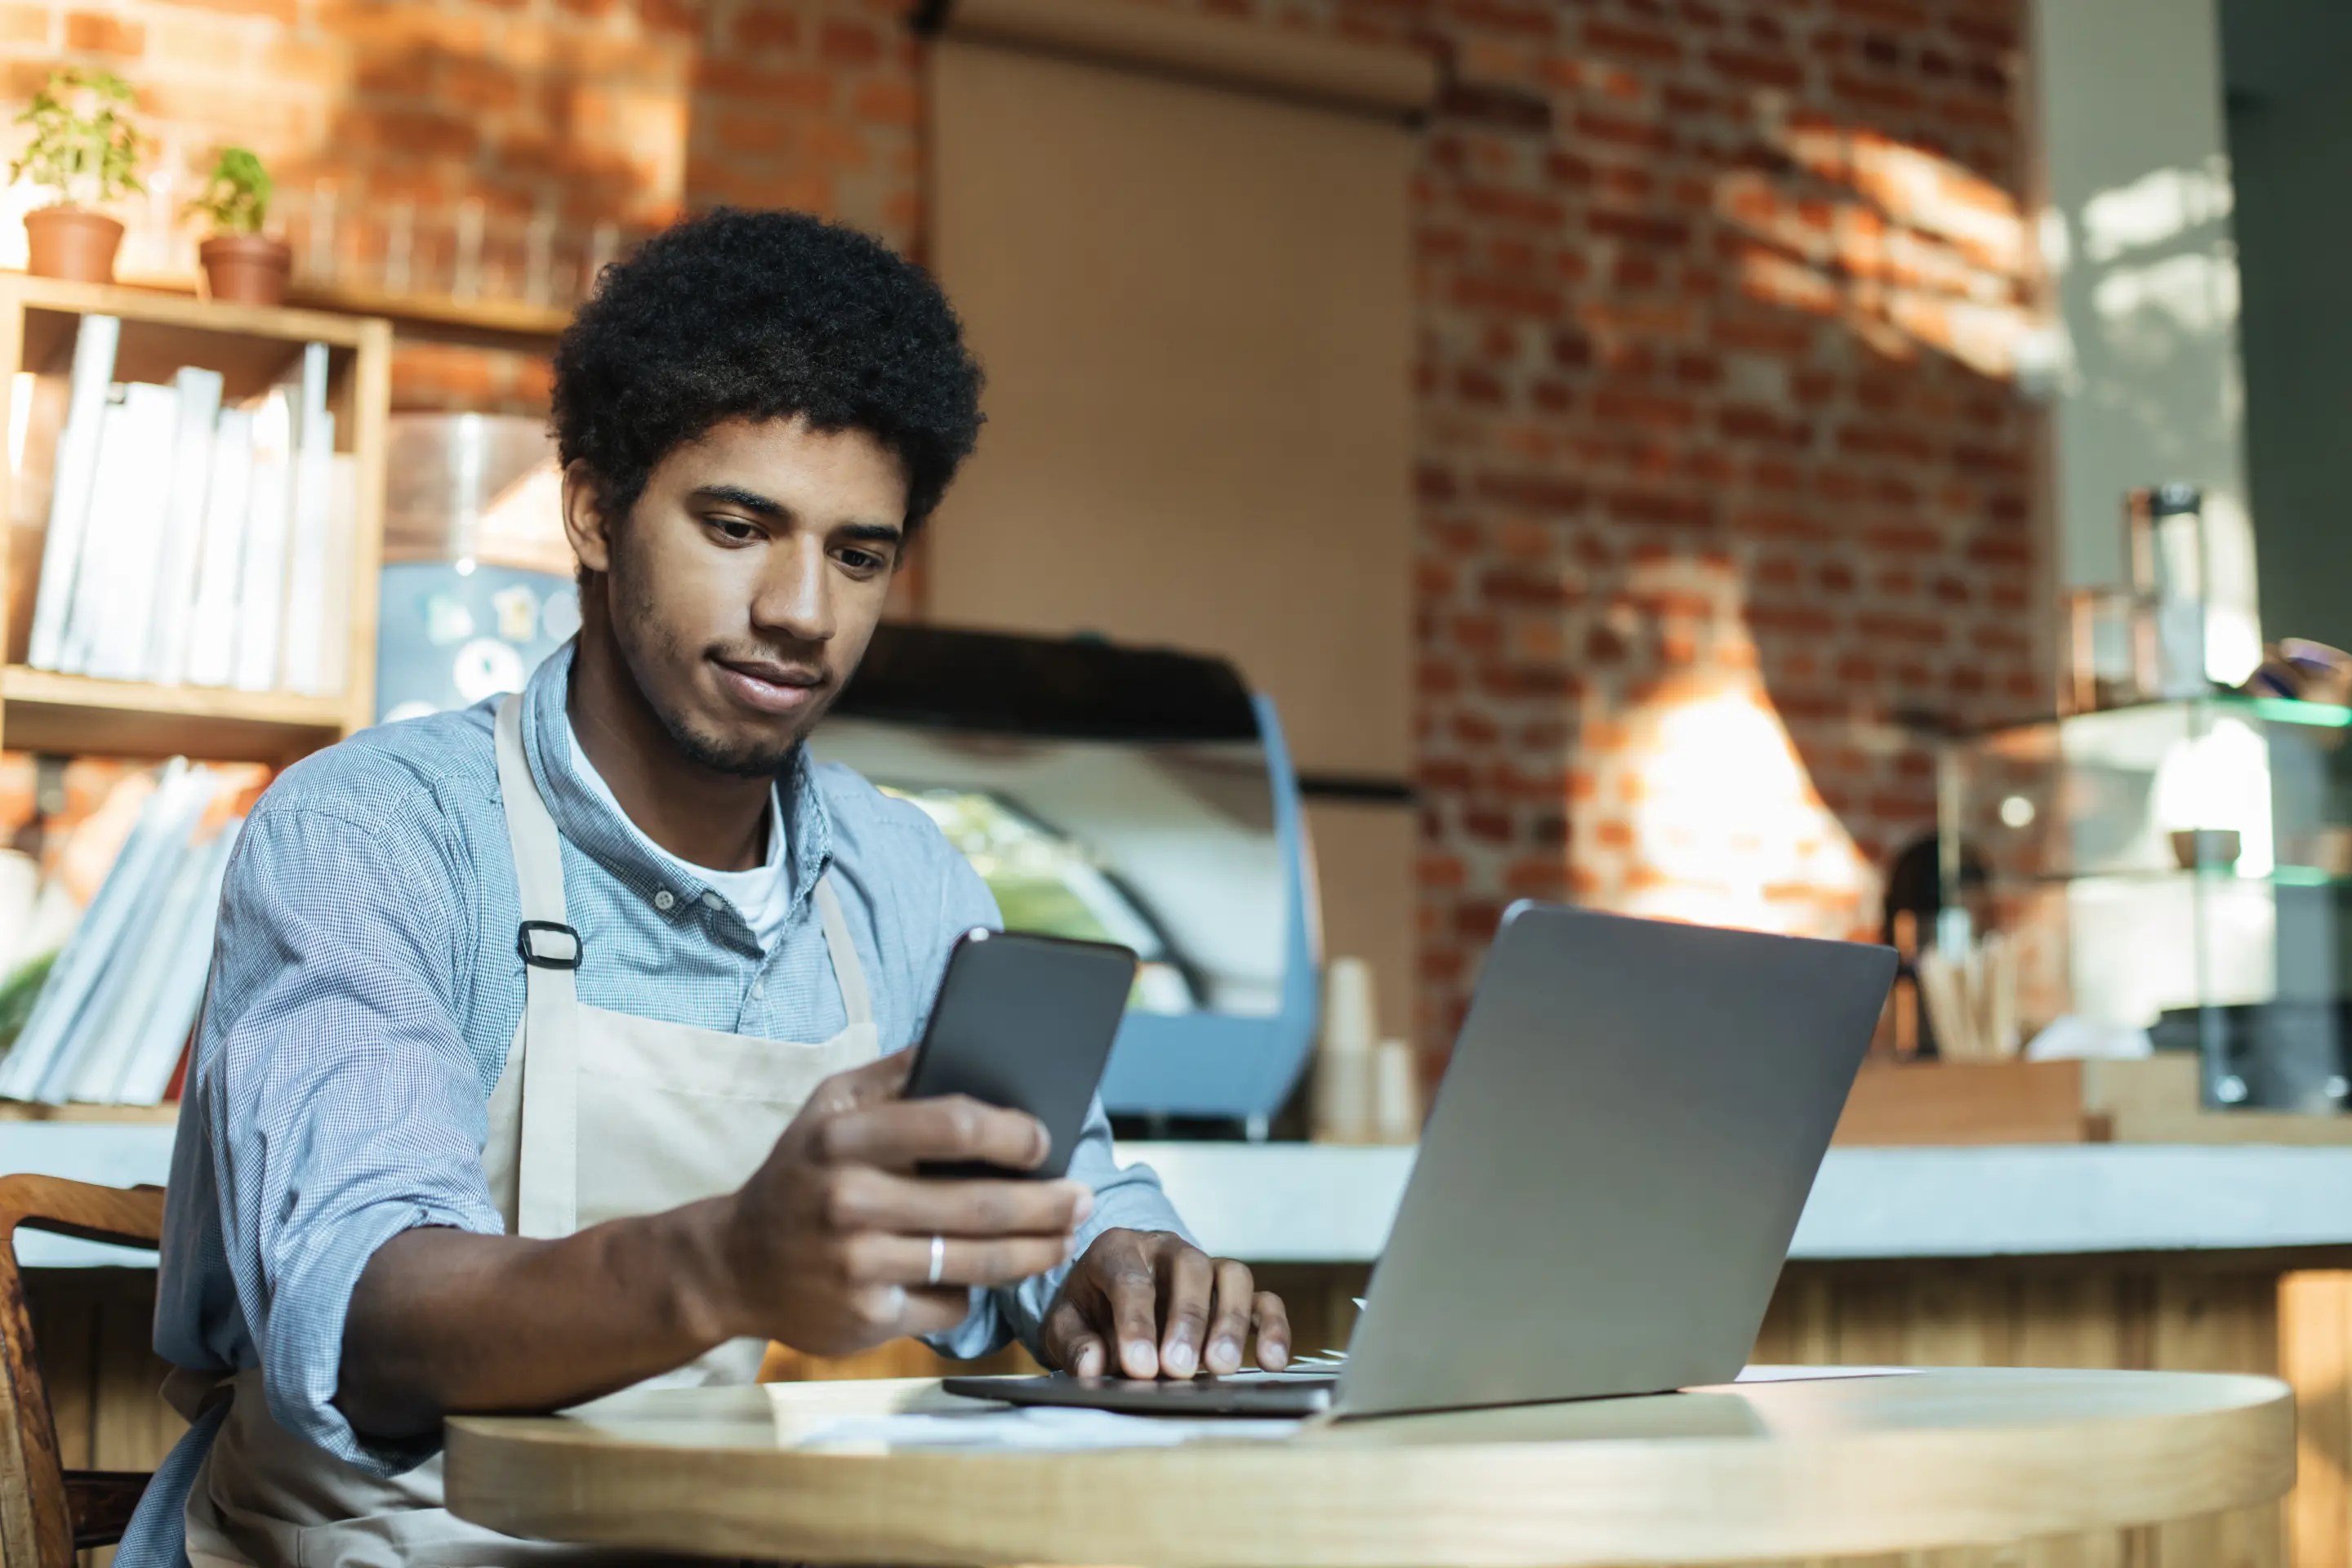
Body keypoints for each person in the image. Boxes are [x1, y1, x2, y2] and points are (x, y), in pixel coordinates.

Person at [119, 208, 1291, 1568]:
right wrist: (727, 1263)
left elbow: (1048, 1201)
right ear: (593, 510)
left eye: (859, 554)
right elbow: (368, 1322)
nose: (804, 610)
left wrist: (1123, 1275)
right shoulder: (376, 833)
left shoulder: (903, 875)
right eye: (740, 525)